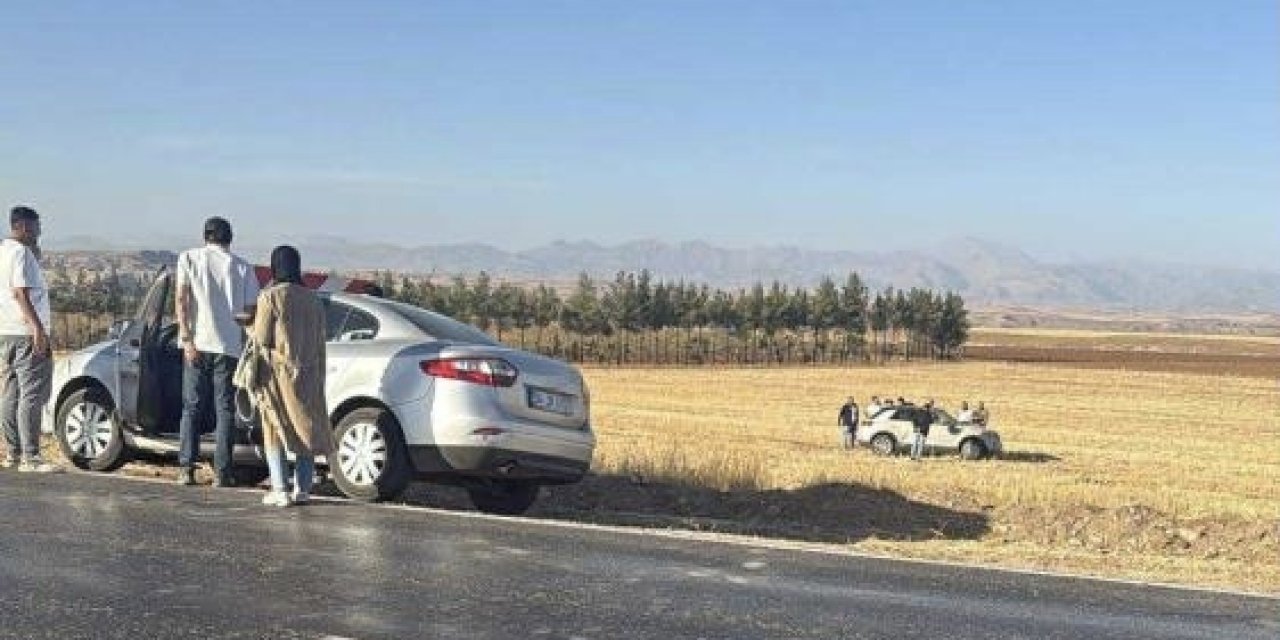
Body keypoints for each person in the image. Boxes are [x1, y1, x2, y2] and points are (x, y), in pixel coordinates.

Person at [174, 217, 259, 487]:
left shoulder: (188, 258)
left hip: (196, 343)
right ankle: (222, 472)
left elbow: (181, 299)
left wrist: (186, 337)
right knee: (225, 409)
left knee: (191, 407)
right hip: (228, 346)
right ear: (230, 238)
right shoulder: (243, 268)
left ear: (205, 236)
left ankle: (186, 467)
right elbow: (251, 309)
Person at [249, 246, 333, 507]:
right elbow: (320, 341)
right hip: (309, 372)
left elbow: (261, 338)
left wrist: (247, 325)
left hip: (277, 374)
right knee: (304, 428)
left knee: (274, 427)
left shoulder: (270, 297)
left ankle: (279, 488)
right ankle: (303, 488)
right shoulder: (314, 300)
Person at [0, 206, 59, 473]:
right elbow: (20, 292)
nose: (39, 231)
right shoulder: (21, 253)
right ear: (23, 226)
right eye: (36, 226)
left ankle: (12, 452)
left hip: (6, 331)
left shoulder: (4, 251)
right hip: (25, 333)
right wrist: (37, 328)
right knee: (32, 394)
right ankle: (30, 456)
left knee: (11, 393)